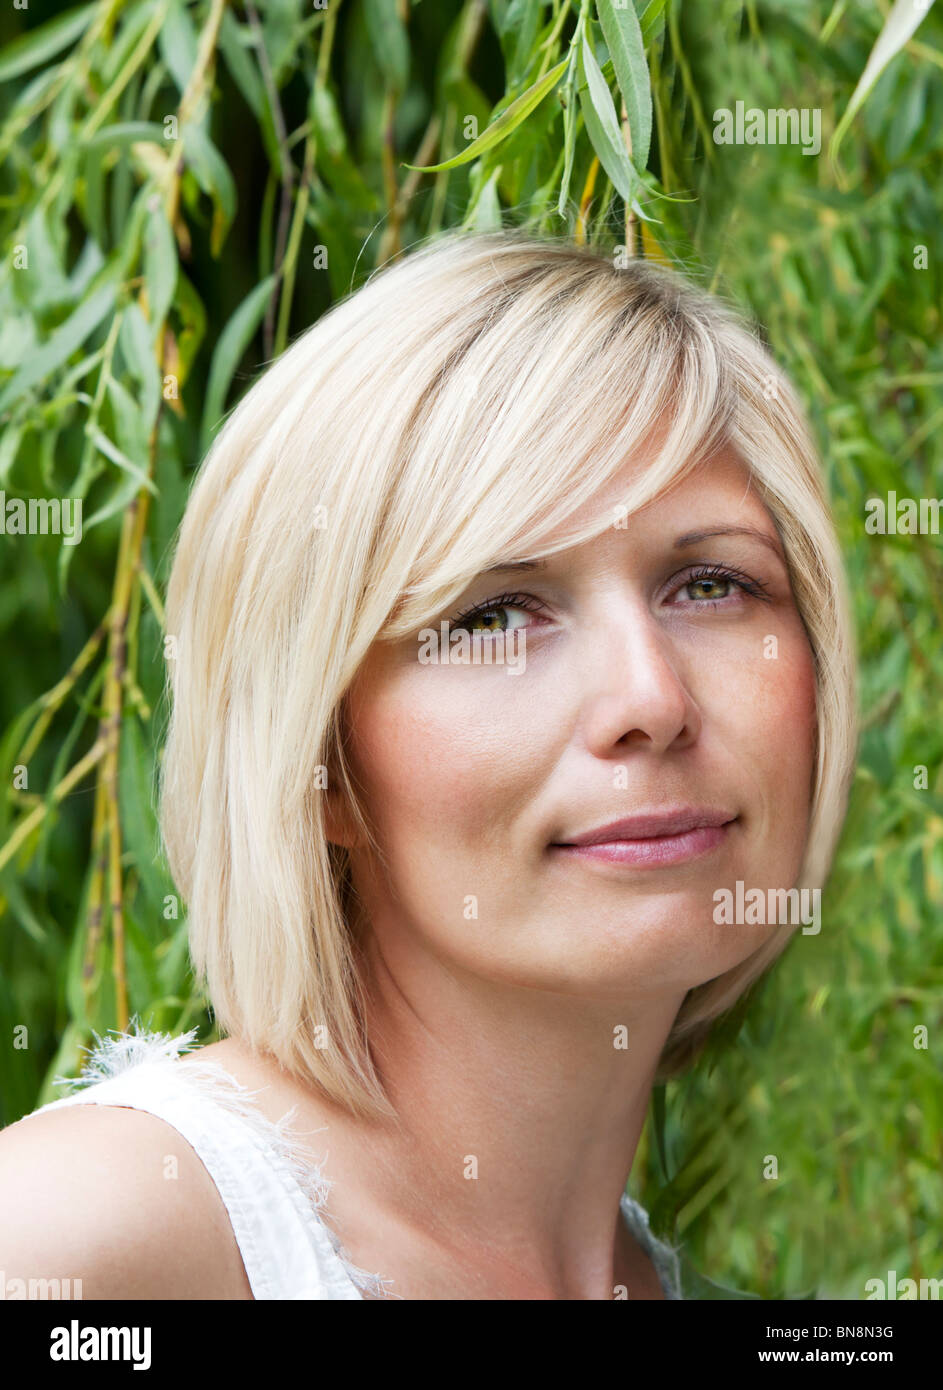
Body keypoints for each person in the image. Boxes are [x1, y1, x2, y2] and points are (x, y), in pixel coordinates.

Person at [0, 229, 857, 1300]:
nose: (651, 699)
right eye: (495, 613)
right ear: (319, 759)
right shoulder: (89, 1240)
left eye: (712, 585)